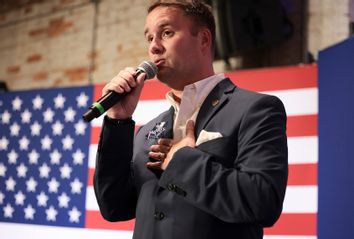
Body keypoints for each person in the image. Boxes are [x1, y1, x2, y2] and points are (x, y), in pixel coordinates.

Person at [93, 1, 288, 239]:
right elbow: (114, 207)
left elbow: (263, 203)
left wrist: (182, 162)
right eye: (149, 38)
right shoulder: (148, 131)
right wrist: (118, 121)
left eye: (166, 33)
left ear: (204, 39)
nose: (154, 47)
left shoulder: (255, 109)